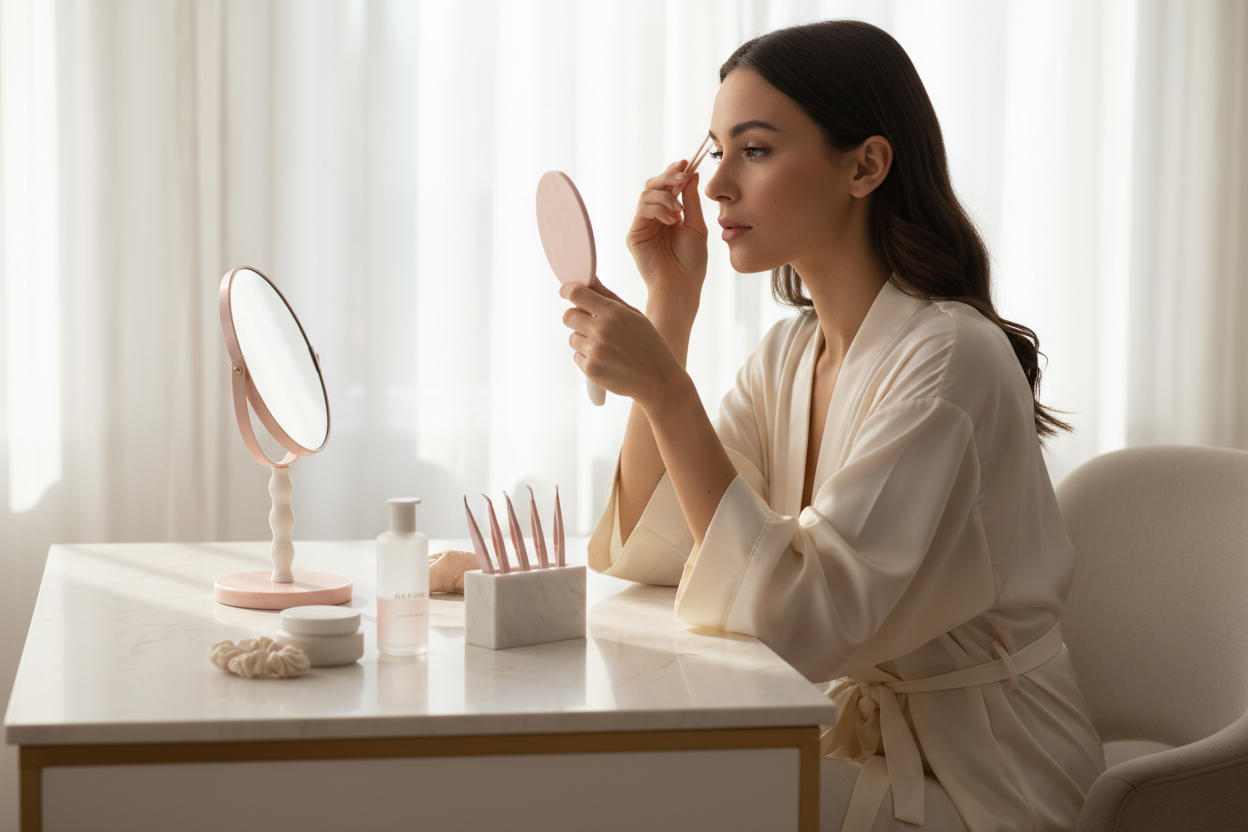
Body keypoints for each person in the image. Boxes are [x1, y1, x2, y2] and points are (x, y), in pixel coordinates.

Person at [558, 19, 1104, 832]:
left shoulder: (950, 361)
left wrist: (670, 392)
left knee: (644, 796)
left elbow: (801, 618)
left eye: (756, 150)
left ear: (865, 165)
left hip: (983, 778)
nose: (714, 189)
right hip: (862, 748)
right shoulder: (790, 354)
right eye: (716, 152)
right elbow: (661, 545)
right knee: (627, 785)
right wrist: (670, 307)